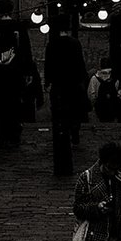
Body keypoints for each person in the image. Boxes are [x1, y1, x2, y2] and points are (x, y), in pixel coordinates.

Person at [45, 13, 92, 183]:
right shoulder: (74, 43)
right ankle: (74, 132)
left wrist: (48, 81)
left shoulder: (52, 44)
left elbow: (48, 66)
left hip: (59, 88)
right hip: (73, 86)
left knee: (59, 122)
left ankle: (61, 160)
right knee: (73, 113)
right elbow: (80, 65)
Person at [0, 18, 38, 150]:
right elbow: (26, 50)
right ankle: (14, 135)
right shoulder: (19, 27)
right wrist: (28, 71)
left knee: (0, 104)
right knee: (15, 104)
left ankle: (2, 135)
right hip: (16, 74)